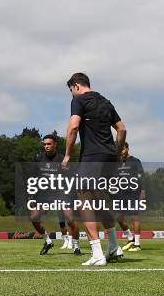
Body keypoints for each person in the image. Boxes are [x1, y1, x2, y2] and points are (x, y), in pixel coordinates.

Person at [62, 73, 127, 266]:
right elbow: (122, 129)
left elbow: (73, 127)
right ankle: (114, 247)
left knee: (84, 199)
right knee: (101, 200)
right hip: (108, 157)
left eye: (71, 91)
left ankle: (97, 253)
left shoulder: (79, 100)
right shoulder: (106, 101)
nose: (72, 95)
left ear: (76, 86)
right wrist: (116, 153)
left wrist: (67, 154)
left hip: (92, 156)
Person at [31, 134, 82, 256]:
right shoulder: (38, 158)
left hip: (62, 192)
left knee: (70, 219)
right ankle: (48, 241)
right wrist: (32, 192)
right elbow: (35, 176)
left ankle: (76, 246)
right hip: (45, 193)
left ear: (55, 145)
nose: (46, 146)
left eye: (49, 144)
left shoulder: (63, 159)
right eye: (44, 144)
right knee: (34, 218)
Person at [116, 142, 146, 252]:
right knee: (118, 217)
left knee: (135, 216)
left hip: (134, 192)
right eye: (119, 150)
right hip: (121, 193)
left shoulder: (135, 161)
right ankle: (130, 238)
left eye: (123, 149)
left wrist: (142, 191)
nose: (121, 152)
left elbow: (141, 177)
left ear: (127, 149)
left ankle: (137, 244)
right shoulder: (117, 162)